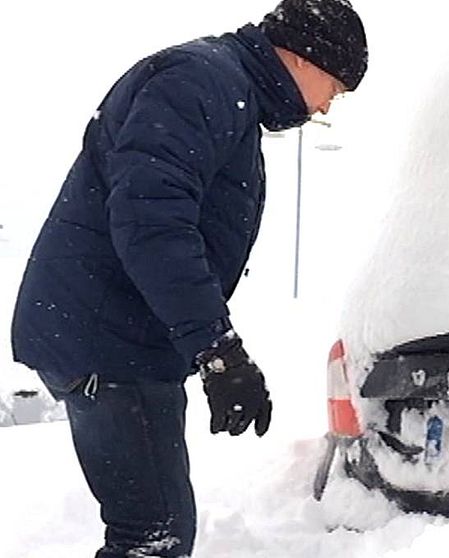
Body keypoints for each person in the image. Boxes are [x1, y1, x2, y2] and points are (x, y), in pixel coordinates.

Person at [9, 0, 367, 555]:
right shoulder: (203, 83)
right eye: (335, 89)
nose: (326, 108)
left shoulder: (224, 90)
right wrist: (218, 351)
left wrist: (210, 350)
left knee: (152, 529)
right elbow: (154, 225)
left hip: (118, 337)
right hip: (110, 342)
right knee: (150, 535)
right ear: (303, 58)